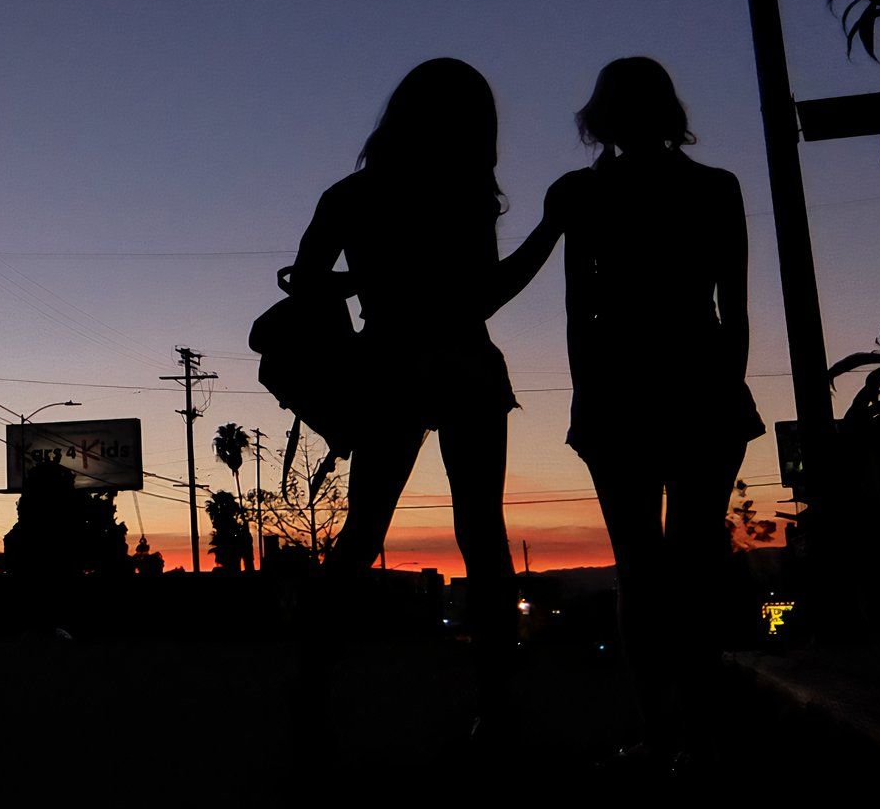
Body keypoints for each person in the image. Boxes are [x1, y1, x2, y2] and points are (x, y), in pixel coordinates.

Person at [503, 56, 763, 771]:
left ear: (601, 118)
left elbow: (576, 313)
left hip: (619, 395)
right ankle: (699, 735)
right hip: (697, 386)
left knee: (641, 572)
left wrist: (588, 396)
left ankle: (658, 731)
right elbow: (731, 309)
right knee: (690, 569)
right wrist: (726, 386)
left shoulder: (584, 194)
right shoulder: (714, 188)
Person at [291, 57, 529, 735]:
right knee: (482, 535)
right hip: (465, 366)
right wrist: (548, 232)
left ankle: (310, 681)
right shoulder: (462, 194)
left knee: (362, 532)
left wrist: (356, 287)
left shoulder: (349, 196)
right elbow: (483, 294)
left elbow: (305, 286)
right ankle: (495, 702)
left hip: (390, 366)